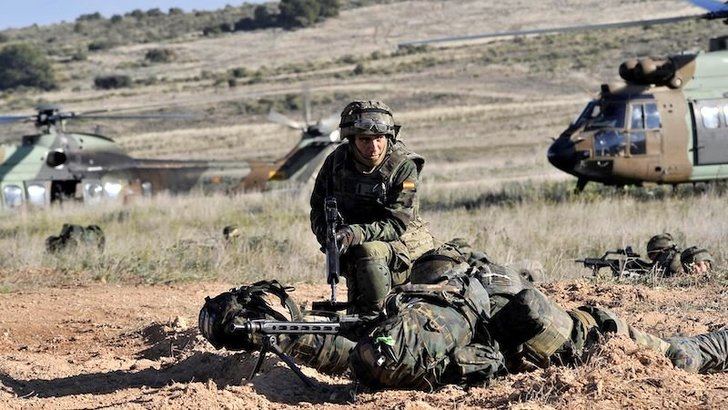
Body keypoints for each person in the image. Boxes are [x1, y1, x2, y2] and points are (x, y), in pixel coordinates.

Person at [198, 239, 727, 390]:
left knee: (670, 352)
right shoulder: (414, 315)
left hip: (563, 326)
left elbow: (359, 353)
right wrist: (279, 326)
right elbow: (353, 348)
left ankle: (717, 344)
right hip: (506, 324)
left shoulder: (461, 299)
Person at [309, 100, 435, 316]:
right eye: (365, 140)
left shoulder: (403, 166)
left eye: (379, 139)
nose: (373, 147)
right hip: (357, 245)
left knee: (369, 254)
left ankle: (375, 317)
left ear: (388, 137)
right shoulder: (336, 162)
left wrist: (355, 233)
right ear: (351, 139)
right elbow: (318, 208)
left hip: (402, 245)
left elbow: (397, 224)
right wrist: (329, 237)